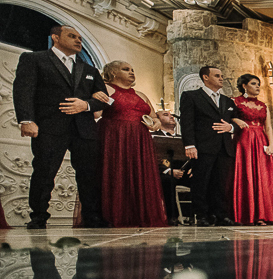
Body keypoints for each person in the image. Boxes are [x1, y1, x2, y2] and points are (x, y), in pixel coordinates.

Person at [12, 24, 109, 228]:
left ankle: (92, 217)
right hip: (49, 125)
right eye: (72, 36)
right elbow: (24, 90)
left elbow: (103, 99)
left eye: (80, 38)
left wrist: (87, 105)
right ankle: (38, 217)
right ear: (55, 37)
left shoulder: (90, 70)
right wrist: (26, 120)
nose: (78, 41)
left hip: (84, 129)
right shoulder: (34, 59)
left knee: (89, 174)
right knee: (44, 172)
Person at [94, 60, 167, 227]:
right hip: (115, 137)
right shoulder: (107, 89)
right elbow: (96, 112)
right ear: (112, 73)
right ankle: (113, 215)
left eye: (132, 69)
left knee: (139, 174)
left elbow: (154, 117)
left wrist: (155, 124)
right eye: (126, 69)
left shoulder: (141, 95)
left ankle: (138, 215)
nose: (131, 72)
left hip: (140, 139)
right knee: (116, 173)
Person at [179, 66, 238, 227]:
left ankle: (220, 214)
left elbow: (238, 121)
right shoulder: (191, 96)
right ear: (205, 77)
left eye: (222, 75)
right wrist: (190, 145)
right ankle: (201, 215)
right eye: (217, 75)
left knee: (220, 183)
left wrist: (231, 128)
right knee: (201, 182)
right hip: (202, 146)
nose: (221, 78)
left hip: (224, 147)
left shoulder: (228, 101)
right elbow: (187, 122)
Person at [231, 73, 273, 225]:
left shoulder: (263, 105)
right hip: (244, 140)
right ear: (244, 86)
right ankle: (246, 214)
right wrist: (235, 119)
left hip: (261, 140)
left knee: (263, 177)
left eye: (258, 84)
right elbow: (226, 116)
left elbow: (268, 126)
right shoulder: (234, 101)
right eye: (253, 83)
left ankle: (262, 215)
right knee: (246, 174)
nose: (257, 86)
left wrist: (271, 145)